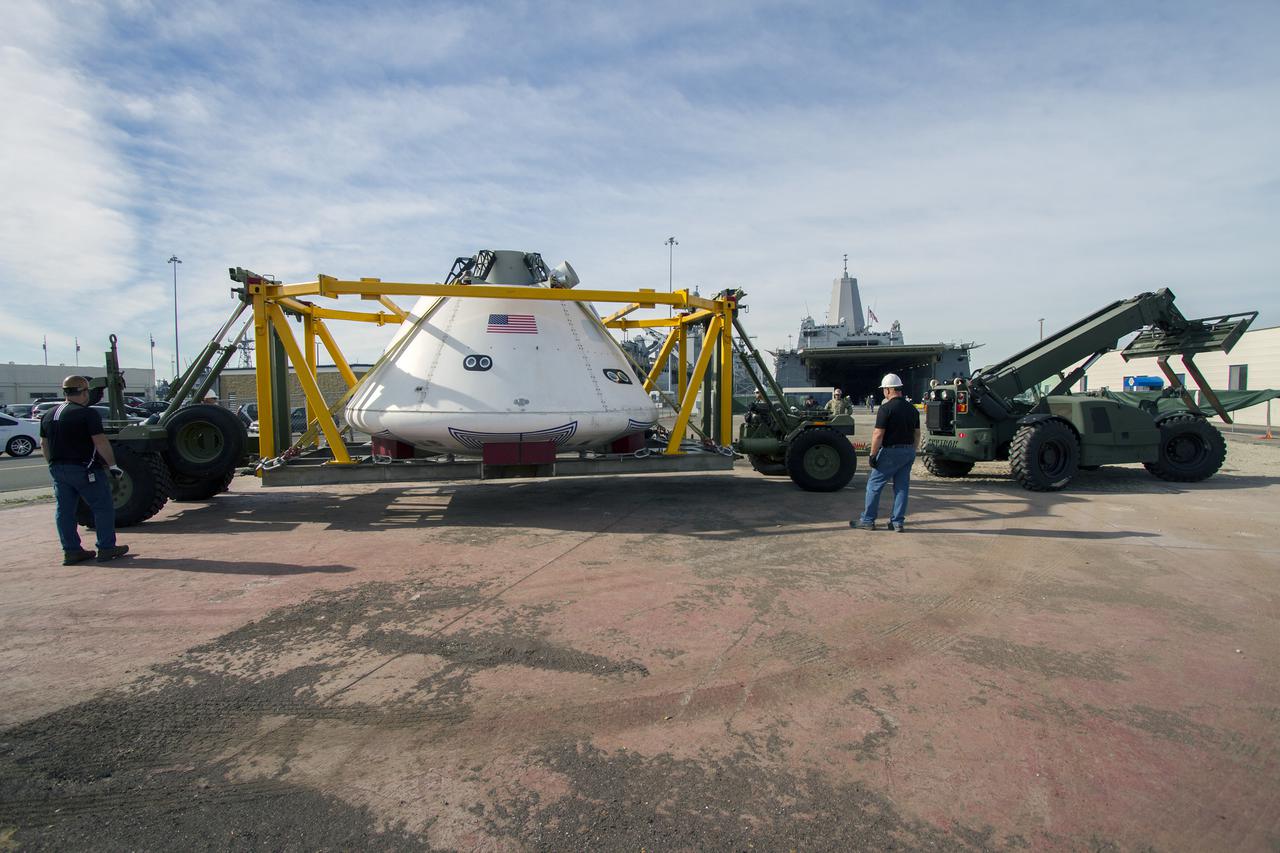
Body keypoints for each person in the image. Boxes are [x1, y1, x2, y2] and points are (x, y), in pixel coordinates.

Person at [40, 376, 130, 564]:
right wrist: (112, 465)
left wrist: (53, 465)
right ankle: (106, 547)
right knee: (102, 507)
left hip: (58, 469)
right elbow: (100, 442)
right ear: (83, 392)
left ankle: (71, 550)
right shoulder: (86, 414)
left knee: (64, 511)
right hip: (85, 469)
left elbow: (44, 444)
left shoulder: (48, 414)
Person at [851, 373, 919, 532]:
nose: (883, 393)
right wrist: (912, 451)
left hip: (890, 452)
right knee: (902, 487)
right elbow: (917, 434)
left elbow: (878, 434)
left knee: (874, 485)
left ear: (889, 390)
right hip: (908, 451)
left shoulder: (886, 408)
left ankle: (868, 520)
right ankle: (897, 522)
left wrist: (873, 455)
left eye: (884, 390)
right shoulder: (912, 409)